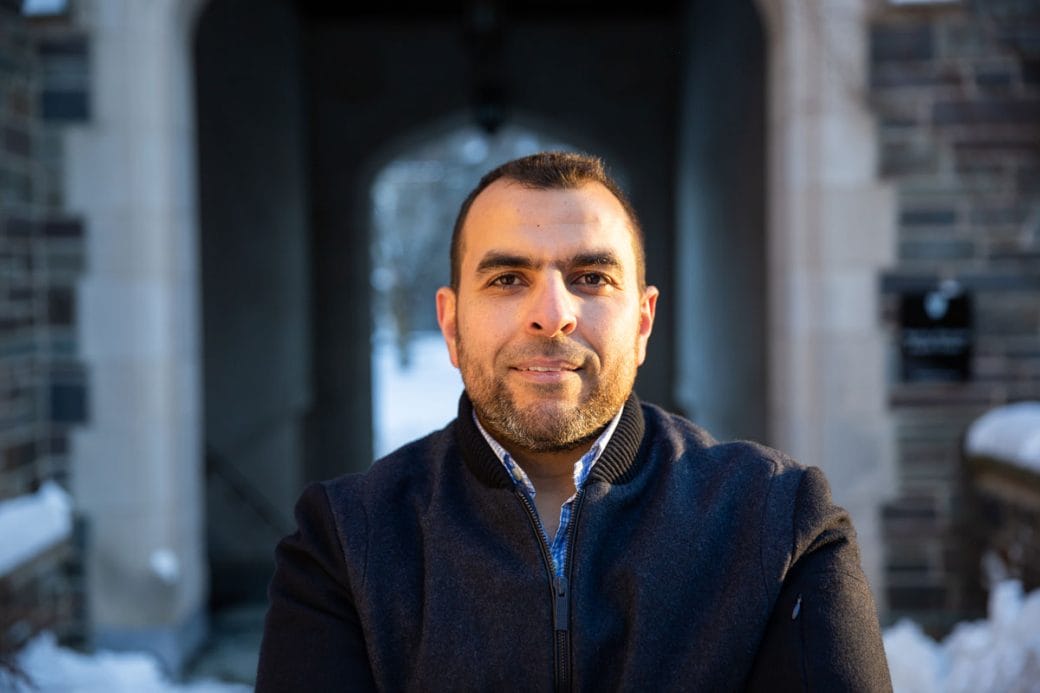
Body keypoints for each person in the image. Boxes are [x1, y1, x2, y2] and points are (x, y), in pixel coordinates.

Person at [256, 152, 893, 691]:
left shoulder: (780, 523)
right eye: (507, 278)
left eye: (590, 277)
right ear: (450, 325)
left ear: (643, 322)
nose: (552, 314)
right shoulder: (346, 541)